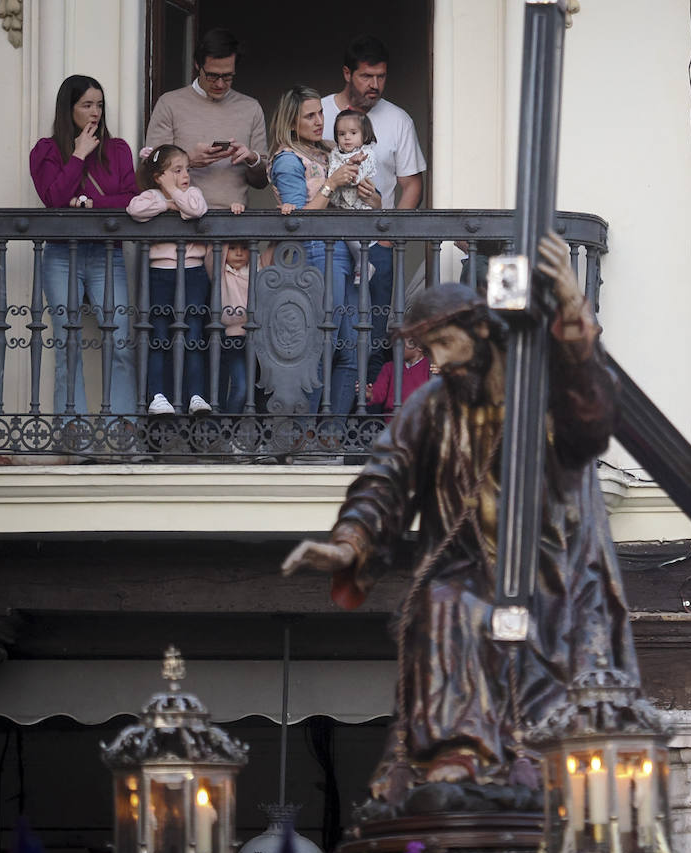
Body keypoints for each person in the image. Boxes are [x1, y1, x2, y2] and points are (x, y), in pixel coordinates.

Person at [282, 232, 637, 803]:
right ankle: (459, 753)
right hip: (469, 562)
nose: (438, 362)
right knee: (445, 602)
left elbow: (593, 420)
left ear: (478, 331)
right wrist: (350, 541)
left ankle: (529, 757)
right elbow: (387, 473)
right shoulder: (432, 405)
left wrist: (573, 312)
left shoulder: (541, 388)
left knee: (498, 613)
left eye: (444, 343)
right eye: (430, 349)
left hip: (555, 563)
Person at [29, 74, 139, 418]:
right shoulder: (46, 151)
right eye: (87, 105)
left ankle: (122, 435)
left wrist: (92, 203)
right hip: (63, 255)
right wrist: (78, 154)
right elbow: (54, 199)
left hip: (109, 255)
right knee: (68, 345)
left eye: (100, 105)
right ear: (69, 108)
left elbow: (131, 200)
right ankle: (72, 438)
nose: (95, 112)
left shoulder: (118, 149)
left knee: (120, 341)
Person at [322, 35, 428, 388]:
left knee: (376, 331)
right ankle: (323, 421)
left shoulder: (398, 120)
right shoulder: (318, 112)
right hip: (327, 242)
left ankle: (366, 418)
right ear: (347, 73)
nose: (375, 85)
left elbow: (412, 184)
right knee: (328, 329)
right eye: (367, 76)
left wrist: (388, 236)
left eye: (381, 77)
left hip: (377, 241)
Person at [269, 85, 365, 416]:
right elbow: (298, 220)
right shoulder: (287, 159)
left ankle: (332, 437)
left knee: (351, 349)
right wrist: (332, 183)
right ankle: (304, 433)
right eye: (309, 115)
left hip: (346, 251)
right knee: (322, 346)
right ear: (291, 122)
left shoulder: (327, 151)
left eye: (320, 112)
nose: (319, 120)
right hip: (314, 252)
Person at [127, 144, 224, 416]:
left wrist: (174, 194)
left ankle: (195, 395)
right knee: (158, 335)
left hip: (192, 273)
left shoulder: (191, 193)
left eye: (187, 170)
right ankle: (157, 395)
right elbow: (134, 209)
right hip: (160, 275)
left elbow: (195, 209)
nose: (185, 175)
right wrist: (165, 200)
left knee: (192, 334)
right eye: (177, 170)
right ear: (159, 176)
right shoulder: (150, 195)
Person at [144, 28, 269, 210]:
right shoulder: (169, 103)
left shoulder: (251, 108)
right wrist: (188, 161)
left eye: (227, 76)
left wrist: (251, 159)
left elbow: (261, 182)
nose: (219, 84)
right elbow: (149, 172)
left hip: (233, 221)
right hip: (179, 220)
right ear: (197, 65)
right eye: (212, 75)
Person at [328, 109, 379, 268]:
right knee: (344, 234)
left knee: (355, 234)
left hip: (360, 205)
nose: (347, 137)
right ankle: (361, 263)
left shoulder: (367, 154)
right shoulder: (335, 153)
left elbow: (355, 179)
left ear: (364, 135)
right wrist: (339, 175)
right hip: (340, 206)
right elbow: (332, 175)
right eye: (342, 134)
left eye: (353, 133)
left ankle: (363, 263)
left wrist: (352, 165)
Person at [208, 241, 252, 415]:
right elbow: (215, 250)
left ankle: (247, 434)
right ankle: (228, 429)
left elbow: (271, 251)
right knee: (240, 387)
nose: (239, 253)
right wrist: (231, 216)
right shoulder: (220, 272)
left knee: (257, 390)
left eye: (244, 248)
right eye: (233, 248)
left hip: (257, 340)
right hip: (231, 339)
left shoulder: (256, 269)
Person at [363, 328, 431, 421]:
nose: (397, 346)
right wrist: (370, 394)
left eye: (402, 342)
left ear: (419, 347)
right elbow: (380, 392)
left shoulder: (430, 367)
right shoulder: (389, 367)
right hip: (392, 421)